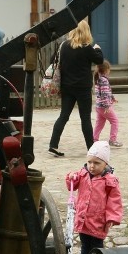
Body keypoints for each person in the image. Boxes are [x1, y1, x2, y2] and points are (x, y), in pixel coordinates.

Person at [48, 20, 104, 156]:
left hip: (67, 86)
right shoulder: (87, 47)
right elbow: (99, 60)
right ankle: (91, 148)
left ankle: (53, 145)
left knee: (63, 116)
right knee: (85, 118)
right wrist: (98, 49)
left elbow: (52, 61)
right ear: (86, 31)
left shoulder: (64, 46)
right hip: (83, 87)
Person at [66, 141, 123, 254]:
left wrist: (112, 217)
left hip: (98, 221)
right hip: (83, 218)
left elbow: (115, 200)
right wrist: (71, 177)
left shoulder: (109, 180)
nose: (92, 166)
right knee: (85, 243)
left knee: (97, 245)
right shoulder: (82, 174)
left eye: (97, 163)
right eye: (89, 162)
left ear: (105, 164)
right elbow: (72, 186)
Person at [92, 59, 122, 148]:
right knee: (115, 121)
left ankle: (94, 139)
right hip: (104, 107)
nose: (110, 71)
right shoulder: (104, 80)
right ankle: (113, 139)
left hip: (98, 106)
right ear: (106, 69)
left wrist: (112, 98)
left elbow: (106, 92)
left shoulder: (98, 78)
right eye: (109, 69)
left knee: (99, 123)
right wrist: (107, 106)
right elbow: (105, 94)